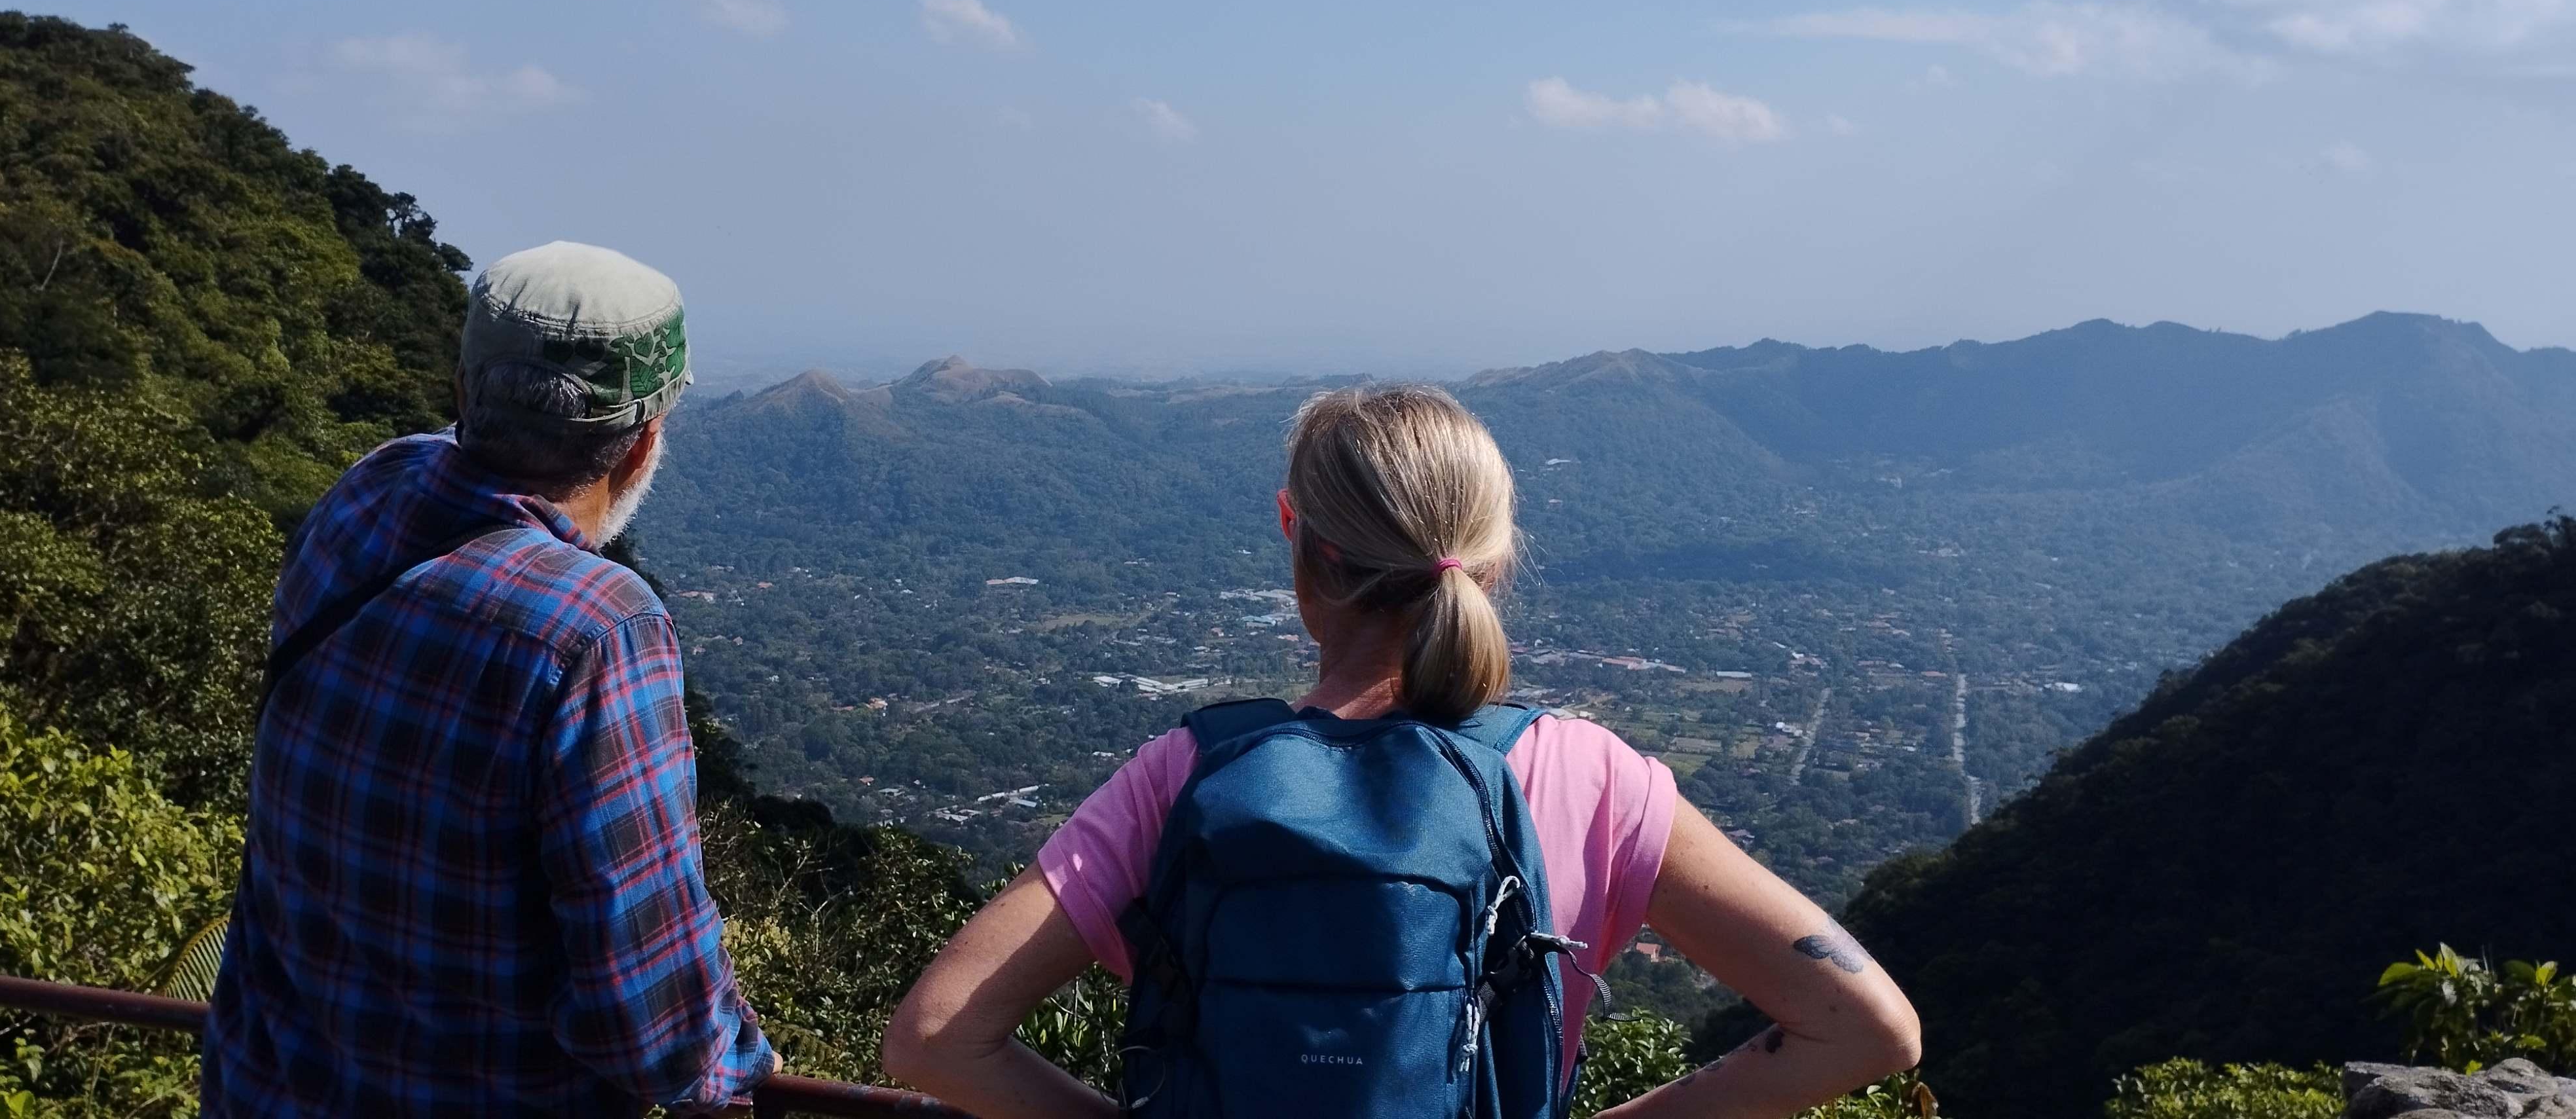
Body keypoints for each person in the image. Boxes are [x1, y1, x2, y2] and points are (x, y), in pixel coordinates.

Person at [882, 384, 1921, 1118]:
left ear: (1296, 538)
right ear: (1497, 559)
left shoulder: (1190, 774)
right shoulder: (1588, 776)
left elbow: (936, 1038)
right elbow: (1867, 1027)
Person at [202, 242, 777, 1116]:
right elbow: (654, 1022)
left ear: (463, 390)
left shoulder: (366, 491)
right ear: (647, 439)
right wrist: (739, 1071)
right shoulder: (598, 626)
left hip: (267, 1089)